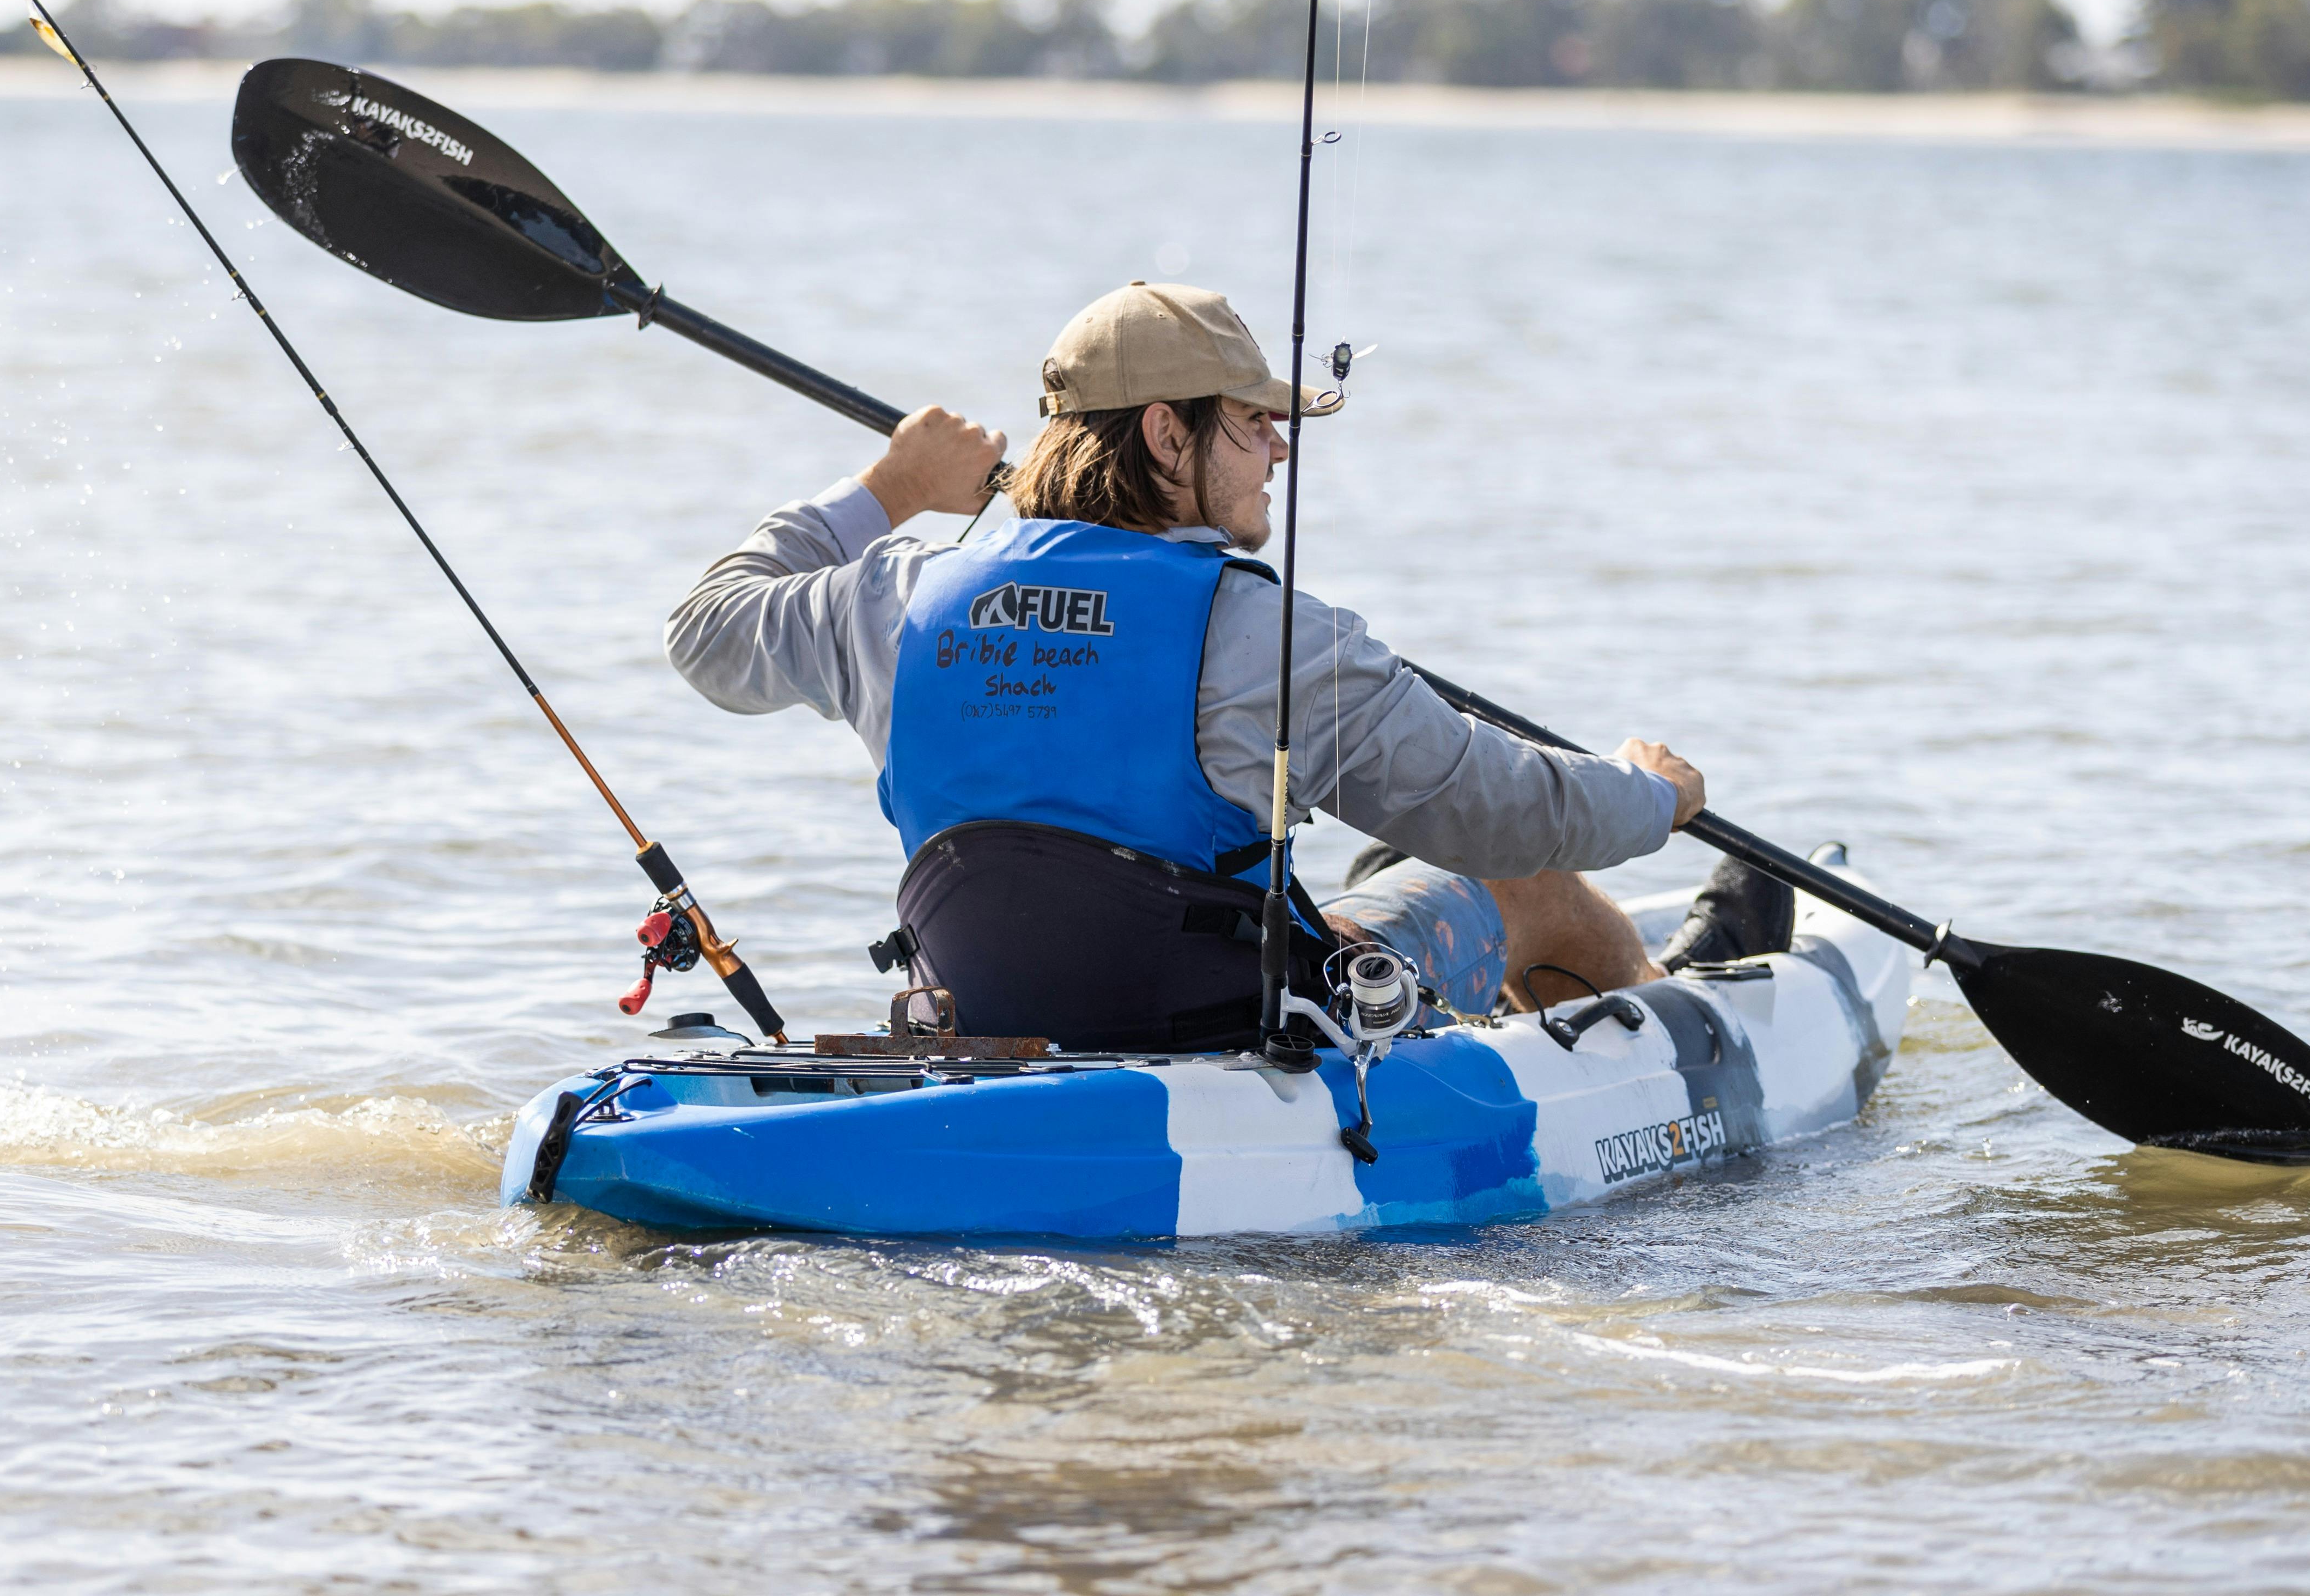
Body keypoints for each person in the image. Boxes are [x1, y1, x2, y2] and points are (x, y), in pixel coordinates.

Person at [665, 281, 1790, 1050]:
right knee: (1522, 881)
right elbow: (1496, 811)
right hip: (1228, 1041)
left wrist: (890, 489)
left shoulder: (894, 592)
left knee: (1357, 884)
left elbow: (708, 630)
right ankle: (1673, 1026)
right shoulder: (1270, 635)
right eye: (1254, 423)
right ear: (1165, 435)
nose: (1281, 448)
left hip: (990, 1024)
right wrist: (1653, 794)